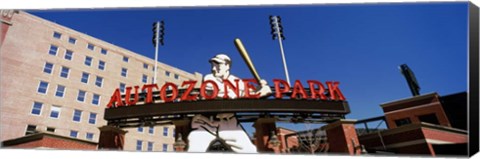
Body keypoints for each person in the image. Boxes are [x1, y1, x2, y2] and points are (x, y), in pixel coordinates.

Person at [187, 54, 271, 153]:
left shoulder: (237, 81)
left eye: (218, 65)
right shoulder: (209, 78)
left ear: (227, 66)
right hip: (206, 123)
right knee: (194, 150)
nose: (214, 68)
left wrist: (261, 90)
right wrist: (256, 94)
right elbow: (223, 96)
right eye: (213, 65)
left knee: (250, 151)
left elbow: (249, 94)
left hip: (229, 123)